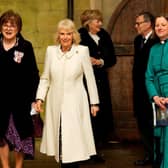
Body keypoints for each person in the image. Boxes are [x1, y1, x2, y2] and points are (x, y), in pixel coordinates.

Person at [33, 19, 99, 168]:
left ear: (73, 35)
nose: (65, 37)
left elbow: (90, 78)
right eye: (62, 34)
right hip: (56, 104)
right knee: (60, 141)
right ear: (58, 35)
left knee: (74, 143)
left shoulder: (82, 51)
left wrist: (94, 103)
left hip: (76, 103)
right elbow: (45, 78)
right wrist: (39, 99)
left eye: (68, 34)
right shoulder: (51, 51)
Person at [0, 10, 39, 168]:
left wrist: (35, 99)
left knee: (20, 135)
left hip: (21, 101)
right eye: (5, 24)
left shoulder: (25, 46)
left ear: (18, 28)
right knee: (1, 136)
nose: (8, 28)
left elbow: (33, 74)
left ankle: (18, 166)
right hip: (0, 100)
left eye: (12, 25)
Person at [78, 9, 116, 162]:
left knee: (100, 115)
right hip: (84, 82)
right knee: (86, 115)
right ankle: (84, 152)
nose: (100, 23)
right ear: (88, 23)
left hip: (101, 81)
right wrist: (87, 60)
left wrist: (100, 62)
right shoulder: (79, 35)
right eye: (97, 21)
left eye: (100, 20)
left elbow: (112, 58)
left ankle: (95, 150)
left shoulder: (104, 35)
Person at [132, 11, 159, 166]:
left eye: (138, 23)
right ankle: (148, 154)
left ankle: (158, 156)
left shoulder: (156, 41)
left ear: (148, 24)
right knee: (142, 122)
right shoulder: (137, 40)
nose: (136, 26)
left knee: (154, 123)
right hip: (139, 89)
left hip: (153, 89)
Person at [145, 15, 168, 168]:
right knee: (160, 134)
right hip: (159, 100)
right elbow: (148, 76)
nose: (159, 27)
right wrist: (155, 96)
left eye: (163, 25)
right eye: (157, 25)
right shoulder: (153, 49)